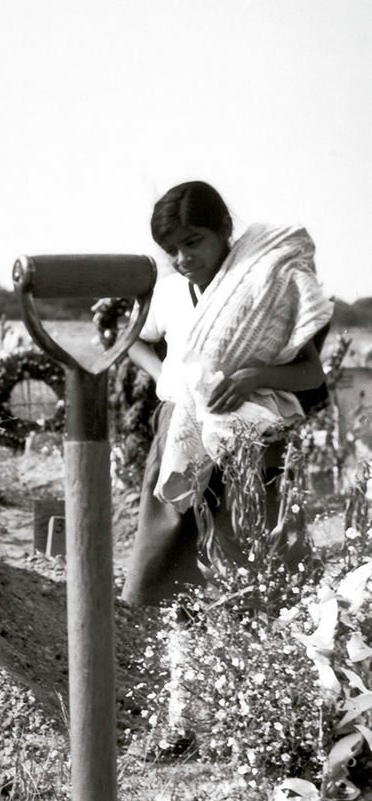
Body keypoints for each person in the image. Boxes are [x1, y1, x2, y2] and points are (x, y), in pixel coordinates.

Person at [121, 180, 333, 608]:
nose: (183, 259)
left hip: (252, 436)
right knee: (176, 545)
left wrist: (254, 376)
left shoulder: (262, 288)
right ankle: (188, 646)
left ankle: (252, 645)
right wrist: (169, 376)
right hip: (183, 433)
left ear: (223, 228)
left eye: (193, 242)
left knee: (251, 547)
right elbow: (133, 338)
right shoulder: (170, 292)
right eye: (172, 249)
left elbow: (310, 374)